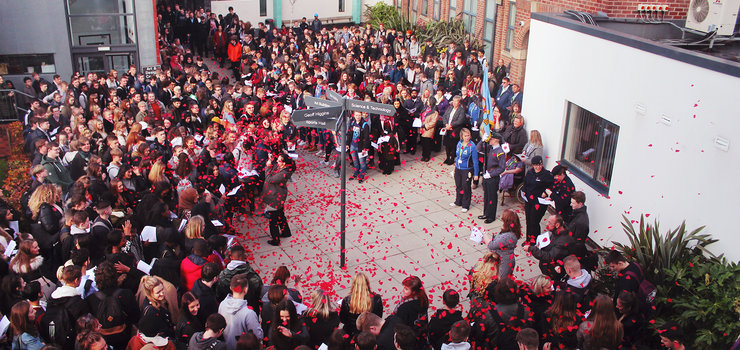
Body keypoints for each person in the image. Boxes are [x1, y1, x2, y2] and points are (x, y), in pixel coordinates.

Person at [219, 273, 263, 350]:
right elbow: (257, 335)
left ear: (231, 287)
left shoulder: (222, 304)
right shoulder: (248, 313)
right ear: (246, 290)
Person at [524, 215, 575, 281]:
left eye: (550, 223)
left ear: (557, 225)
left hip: (554, 271)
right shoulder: (557, 232)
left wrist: (531, 249)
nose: (547, 224)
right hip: (548, 268)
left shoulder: (562, 242)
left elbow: (549, 257)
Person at [263, 153, 295, 246]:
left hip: (275, 197)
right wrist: (271, 162)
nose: (277, 161)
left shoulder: (283, 173)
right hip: (277, 195)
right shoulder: (282, 168)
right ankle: (286, 232)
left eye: (279, 160)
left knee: (273, 220)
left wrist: (268, 167)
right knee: (280, 214)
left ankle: (275, 239)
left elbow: (269, 179)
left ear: (284, 164)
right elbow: (274, 170)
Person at [521, 155, 554, 243]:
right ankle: (528, 240)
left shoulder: (546, 174)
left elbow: (552, 186)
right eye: (536, 165)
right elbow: (526, 183)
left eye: (540, 165)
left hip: (539, 202)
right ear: (532, 165)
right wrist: (524, 190)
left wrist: (546, 192)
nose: (538, 167)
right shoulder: (530, 172)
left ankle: (535, 241)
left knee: (534, 221)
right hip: (529, 200)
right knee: (529, 220)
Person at [482, 209, 521, 278]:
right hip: (500, 259)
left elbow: (491, 245)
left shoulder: (509, 236)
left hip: (504, 262)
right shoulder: (509, 232)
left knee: (501, 281)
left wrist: (484, 233)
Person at [477, 133, 505, 223]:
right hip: (486, 174)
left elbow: (501, 167)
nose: (490, 140)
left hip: (492, 177)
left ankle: (491, 216)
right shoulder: (489, 148)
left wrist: (491, 174)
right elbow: (478, 149)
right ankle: (486, 212)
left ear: (497, 140)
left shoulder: (500, 151)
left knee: (492, 197)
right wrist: (482, 141)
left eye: (491, 139)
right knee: (486, 195)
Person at [450, 128, 479, 213]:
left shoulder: (472, 146)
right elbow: (458, 155)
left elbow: (475, 161)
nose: (467, 137)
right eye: (465, 136)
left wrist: (476, 174)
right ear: (462, 136)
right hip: (458, 168)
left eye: (468, 135)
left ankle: (466, 205)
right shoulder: (459, 143)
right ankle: (458, 201)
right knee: (459, 185)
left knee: (466, 186)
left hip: (467, 169)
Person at [442, 96, 467, 165]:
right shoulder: (450, 108)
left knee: (453, 145)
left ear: (459, 102)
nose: (454, 103)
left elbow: (460, 120)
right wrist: (446, 124)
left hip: (455, 129)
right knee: (447, 144)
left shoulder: (461, 110)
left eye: (456, 101)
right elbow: (444, 116)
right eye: (454, 101)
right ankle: (447, 157)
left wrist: (451, 125)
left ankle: (452, 158)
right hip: (447, 128)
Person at [347, 111, 371, 183]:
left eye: (359, 115)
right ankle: (356, 173)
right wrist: (347, 143)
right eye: (356, 115)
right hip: (353, 146)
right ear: (354, 115)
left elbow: (366, 138)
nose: (358, 117)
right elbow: (349, 134)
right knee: (355, 162)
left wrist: (364, 148)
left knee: (362, 162)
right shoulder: (352, 123)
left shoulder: (364, 125)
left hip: (360, 147)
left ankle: (361, 176)